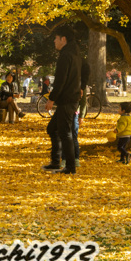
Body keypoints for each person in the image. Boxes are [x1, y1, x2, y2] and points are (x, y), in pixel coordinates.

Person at [43, 26, 82, 175]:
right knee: (52, 129)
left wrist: (51, 99)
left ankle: (70, 167)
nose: (54, 41)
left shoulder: (67, 55)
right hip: (70, 98)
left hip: (68, 99)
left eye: (56, 38)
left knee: (65, 133)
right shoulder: (75, 53)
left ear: (63, 39)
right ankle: (55, 162)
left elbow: (61, 80)